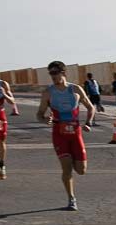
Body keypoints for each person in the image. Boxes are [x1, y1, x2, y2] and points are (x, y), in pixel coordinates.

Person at [37, 61, 95, 211]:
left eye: (56, 72)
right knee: (66, 167)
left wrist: (88, 122)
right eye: (51, 73)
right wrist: (44, 119)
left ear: (63, 73)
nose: (53, 76)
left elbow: (90, 107)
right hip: (59, 133)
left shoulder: (75, 89)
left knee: (81, 170)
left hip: (75, 133)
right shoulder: (48, 92)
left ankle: (76, 164)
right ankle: (71, 198)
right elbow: (39, 114)